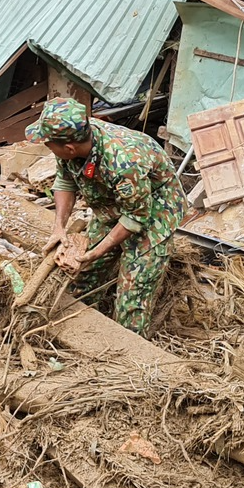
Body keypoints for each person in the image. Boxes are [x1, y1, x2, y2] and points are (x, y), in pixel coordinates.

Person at [31, 98, 185, 336]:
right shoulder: (72, 132)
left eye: (47, 144)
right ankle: (81, 332)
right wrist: (59, 228)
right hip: (114, 204)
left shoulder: (123, 161)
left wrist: (97, 251)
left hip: (154, 211)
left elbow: (135, 218)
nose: (46, 147)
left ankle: (127, 352)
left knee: (133, 297)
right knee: (81, 277)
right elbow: (65, 180)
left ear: (69, 148)